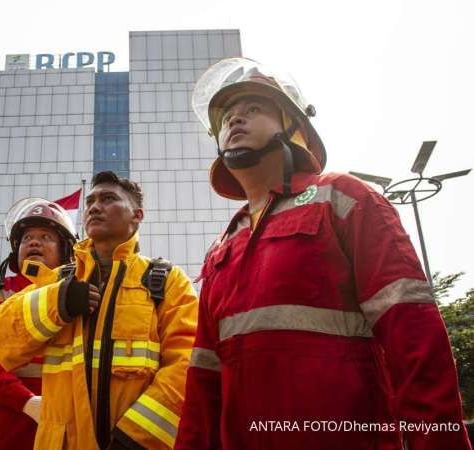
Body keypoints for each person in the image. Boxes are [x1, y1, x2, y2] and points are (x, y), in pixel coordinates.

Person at [175, 58, 471, 450]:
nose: (234, 121)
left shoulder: (344, 197)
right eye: (227, 117)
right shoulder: (222, 247)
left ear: (293, 128)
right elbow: (203, 379)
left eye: (253, 109)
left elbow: (412, 331)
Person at [0, 171, 199, 450]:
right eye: (91, 201)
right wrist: (58, 303)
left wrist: (135, 438)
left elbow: (187, 365)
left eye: (108, 198)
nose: (95, 207)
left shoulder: (167, 280)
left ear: (137, 215)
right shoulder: (58, 281)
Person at [0, 198, 77, 450]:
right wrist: (26, 402)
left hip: (65, 427)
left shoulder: (78, 295)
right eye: (27, 237)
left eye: (46, 236)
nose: (34, 242)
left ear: (65, 249)